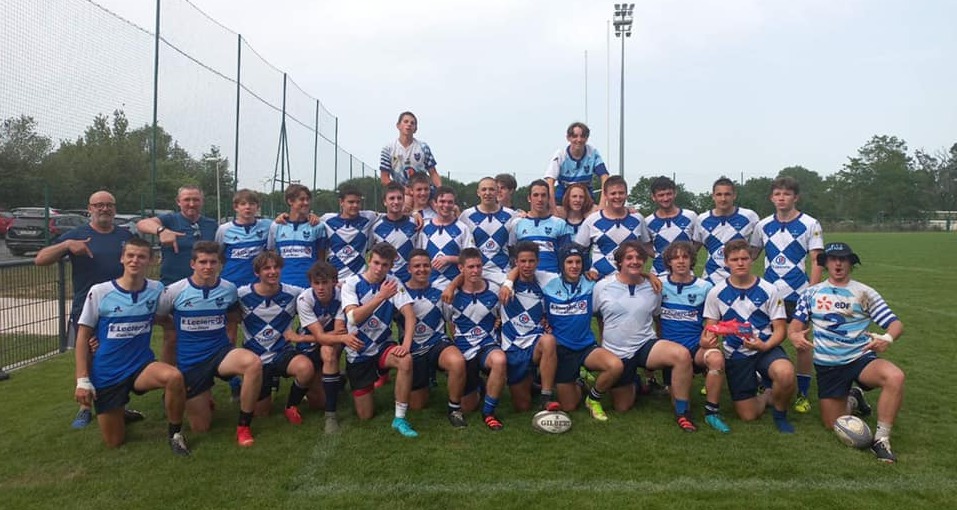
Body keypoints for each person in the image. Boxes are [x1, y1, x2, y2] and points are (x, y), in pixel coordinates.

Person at [789, 242, 905, 463]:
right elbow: (794, 326)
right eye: (833, 259)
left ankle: (881, 440)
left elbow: (895, 324)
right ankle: (853, 398)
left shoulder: (864, 293)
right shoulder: (810, 294)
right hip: (828, 365)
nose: (838, 264)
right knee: (832, 424)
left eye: (843, 259)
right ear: (826, 263)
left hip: (860, 357)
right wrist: (794, 336)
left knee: (895, 376)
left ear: (851, 263)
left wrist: (887, 338)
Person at [73, 237, 189, 455]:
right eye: (130, 255)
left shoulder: (156, 289)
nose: (135, 260)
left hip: (140, 365)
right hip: (108, 373)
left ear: (151, 261)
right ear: (122, 258)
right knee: (114, 442)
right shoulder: (100, 291)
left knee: (174, 377)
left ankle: (175, 434)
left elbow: (162, 318)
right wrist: (82, 380)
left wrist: (174, 330)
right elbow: (83, 335)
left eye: (141, 256)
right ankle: (119, 410)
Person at [34, 190, 140, 429]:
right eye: (98, 205)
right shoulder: (76, 235)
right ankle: (85, 408)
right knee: (89, 356)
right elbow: (40, 259)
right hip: (87, 309)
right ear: (89, 208)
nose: (104, 209)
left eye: (109, 205)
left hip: (120, 310)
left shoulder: (125, 235)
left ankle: (118, 405)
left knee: (117, 357)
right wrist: (66, 245)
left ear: (115, 208)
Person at [157, 241, 264, 446]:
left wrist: (230, 339)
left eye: (213, 262)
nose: (208, 266)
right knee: (201, 427)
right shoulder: (174, 291)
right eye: (203, 262)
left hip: (219, 352)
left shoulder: (228, 289)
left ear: (219, 264)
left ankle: (243, 426)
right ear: (193, 264)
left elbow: (233, 317)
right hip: (191, 361)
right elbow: (160, 317)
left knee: (253, 363)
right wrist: (173, 329)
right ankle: (203, 396)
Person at [503, 243, 622, 420]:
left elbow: (622, 276)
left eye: (578, 262)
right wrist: (508, 283)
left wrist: (647, 276)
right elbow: (520, 268)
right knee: (568, 406)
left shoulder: (592, 283)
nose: (574, 266)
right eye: (569, 262)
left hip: (586, 347)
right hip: (561, 350)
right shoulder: (548, 280)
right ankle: (577, 382)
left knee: (615, 366)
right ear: (562, 264)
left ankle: (593, 398)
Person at [593, 241, 697, 431]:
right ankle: (635, 381)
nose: (635, 261)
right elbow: (597, 315)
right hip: (617, 352)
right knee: (622, 407)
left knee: (681, 355)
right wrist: (602, 343)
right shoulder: (603, 286)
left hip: (644, 344)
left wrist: (649, 276)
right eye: (629, 258)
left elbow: (657, 317)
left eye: (639, 258)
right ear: (620, 262)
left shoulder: (653, 287)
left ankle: (683, 412)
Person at [702, 239, 795, 433]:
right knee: (748, 415)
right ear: (726, 262)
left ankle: (780, 415)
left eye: (744, 258)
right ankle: (767, 395)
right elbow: (710, 328)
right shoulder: (716, 292)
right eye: (734, 259)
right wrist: (706, 340)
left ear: (752, 259)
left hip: (765, 348)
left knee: (785, 373)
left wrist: (765, 345)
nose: (740, 263)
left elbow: (780, 329)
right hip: (736, 354)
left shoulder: (769, 289)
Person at [750, 176, 824, 414]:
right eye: (777, 194)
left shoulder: (810, 223)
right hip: (770, 296)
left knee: (802, 343)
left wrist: (811, 293)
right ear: (771, 198)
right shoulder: (763, 225)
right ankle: (765, 383)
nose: (782, 198)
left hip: (799, 294)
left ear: (796, 197)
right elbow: (751, 255)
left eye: (787, 194)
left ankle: (802, 393)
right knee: (764, 339)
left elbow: (816, 260)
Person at [338, 242, 419, 438]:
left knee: (405, 360)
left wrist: (406, 345)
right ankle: (354, 383)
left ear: (391, 266)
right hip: (359, 351)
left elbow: (410, 315)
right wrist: (381, 296)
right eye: (376, 263)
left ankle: (399, 418)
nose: (379, 269)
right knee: (365, 415)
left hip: (383, 346)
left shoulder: (393, 282)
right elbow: (353, 318)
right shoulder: (351, 283)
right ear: (369, 260)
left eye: (385, 265)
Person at [657, 241, 730, 433]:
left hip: (696, 346)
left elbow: (712, 319)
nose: (681, 261)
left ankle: (712, 412)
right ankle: (679, 401)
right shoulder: (659, 284)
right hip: (669, 351)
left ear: (692, 260)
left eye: (685, 257)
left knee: (716, 359)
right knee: (680, 403)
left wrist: (707, 338)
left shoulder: (705, 287)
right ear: (669, 262)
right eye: (675, 257)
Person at [237, 251, 315, 425]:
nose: (272, 272)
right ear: (257, 272)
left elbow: (315, 293)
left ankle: (291, 405)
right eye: (266, 268)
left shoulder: (293, 293)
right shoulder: (241, 295)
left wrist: (339, 286)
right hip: (255, 359)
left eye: (276, 267)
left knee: (306, 368)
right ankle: (263, 384)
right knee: (261, 413)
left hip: (282, 352)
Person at [402, 249, 468, 427]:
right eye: (417, 266)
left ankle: (454, 409)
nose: (422, 269)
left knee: (457, 362)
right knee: (417, 405)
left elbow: (450, 320)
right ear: (408, 269)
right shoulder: (399, 292)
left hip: (436, 343)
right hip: (413, 349)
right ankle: (427, 378)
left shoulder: (440, 291)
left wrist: (457, 343)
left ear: (431, 268)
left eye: (426, 265)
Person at [443, 248, 507, 430]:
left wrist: (498, 322)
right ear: (461, 268)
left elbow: (502, 315)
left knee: (500, 360)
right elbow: (450, 323)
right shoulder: (451, 295)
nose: (475, 271)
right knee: (468, 406)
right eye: (470, 267)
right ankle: (480, 385)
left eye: (478, 266)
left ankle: (489, 413)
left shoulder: (494, 290)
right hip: (464, 350)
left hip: (487, 345)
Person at [497, 242, 559, 412]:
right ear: (515, 262)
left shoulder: (545, 280)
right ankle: (532, 383)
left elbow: (569, 276)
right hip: (513, 347)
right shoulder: (503, 281)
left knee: (549, 340)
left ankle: (546, 397)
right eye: (523, 261)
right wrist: (508, 282)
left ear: (538, 262)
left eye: (531, 261)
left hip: (535, 343)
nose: (527, 265)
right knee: (522, 407)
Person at [297, 261, 354, 434]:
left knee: (328, 352)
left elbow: (338, 330)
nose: (320, 288)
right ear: (311, 283)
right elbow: (322, 336)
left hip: (331, 344)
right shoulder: (304, 299)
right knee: (317, 403)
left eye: (325, 282)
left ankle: (331, 416)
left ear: (334, 282)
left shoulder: (342, 296)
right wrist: (342, 337)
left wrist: (337, 336)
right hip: (308, 346)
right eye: (316, 283)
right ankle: (337, 379)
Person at [137, 185, 218, 285]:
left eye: (196, 200)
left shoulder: (211, 224)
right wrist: (162, 231)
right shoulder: (170, 220)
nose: (191, 204)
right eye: (187, 200)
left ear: (202, 202)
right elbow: (142, 224)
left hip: (204, 285)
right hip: (172, 284)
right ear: (178, 202)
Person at [574, 175, 651, 280]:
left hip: (630, 280)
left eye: (621, 193)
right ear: (605, 195)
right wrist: (586, 270)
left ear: (626, 194)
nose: (617, 197)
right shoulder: (592, 220)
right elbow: (578, 250)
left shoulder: (638, 219)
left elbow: (647, 248)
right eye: (613, 193)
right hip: (600, 280)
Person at [695, 177, 759, 284]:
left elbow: (758, 244)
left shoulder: (749, 216)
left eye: (727, 194)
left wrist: (745, 261)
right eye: (719, 194)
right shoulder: (702, 219)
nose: (723, 199)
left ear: (734, 195)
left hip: (739, 280)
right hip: (710, 280)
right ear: (713, 196)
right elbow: (695, 248)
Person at [267, 184, 328, 288]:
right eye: (302, 199)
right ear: (290, 201)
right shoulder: (276, 226)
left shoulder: (317, 226)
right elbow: (271, 253)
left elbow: (321, 259)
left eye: (308, 199)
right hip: (283, 284)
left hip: (308, 285)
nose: (306, 203)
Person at [459, 177, 517, 285]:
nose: (487, 193)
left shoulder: (511, 215)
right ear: (478, 192)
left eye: (491, 189)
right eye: (484, 189)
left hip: (503, 274)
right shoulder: (466, 215)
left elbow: (514, 246)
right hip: (477, 273)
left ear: (497, 192)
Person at [508, 179, 572, 275]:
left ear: (548, 198)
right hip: (526, 278)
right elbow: (512, 254)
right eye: (536, 195)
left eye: (543, 195)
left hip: (552, 277)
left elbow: (566, 255)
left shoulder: (560, 224)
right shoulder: (517, 223)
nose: (540, 199)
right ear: (529, 198)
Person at [544, 122, 609, 212]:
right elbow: (550, 181)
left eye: (582, 136)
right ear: (568, 138)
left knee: (595, 215)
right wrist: (553, 208)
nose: (579, 140)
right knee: (558, 216)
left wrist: (602, 204)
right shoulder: (561, 154)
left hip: (585, 195)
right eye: (575, 136)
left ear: (587, 138)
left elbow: (605, 177)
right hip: (564, 194)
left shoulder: (592, 152)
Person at [417, 186, 473, 290]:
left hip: (455, 287)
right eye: (442, 201)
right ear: (435, 203)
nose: (446, 205)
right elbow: (417, 257)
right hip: (428, 287)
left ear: (454, 204)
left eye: (450, 202)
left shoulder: (463, 228)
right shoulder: (424, 228)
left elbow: (471, 258)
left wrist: (450, 259)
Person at [215, 189, 273, 287]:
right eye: (243, 204)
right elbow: (218, 255)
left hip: (257, 284)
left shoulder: (268, 225)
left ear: (257, 207)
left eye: (252, 204)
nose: (248, 207)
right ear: (236, 207)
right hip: (231, 282)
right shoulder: (224, 229)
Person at [320, 186, 378, 282]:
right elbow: (309, 220)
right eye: (351, 202)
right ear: (341, 202)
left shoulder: (368, 217)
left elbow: (391, 215)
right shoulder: (327, 219)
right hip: (335, 281)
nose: (355, 205)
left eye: (358, 202)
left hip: (358, 280)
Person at [644, 176, 699, 276]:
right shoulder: (648, 221)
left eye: (668, 194)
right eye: (661, 195)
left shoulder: (690, 216)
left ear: (675, 193)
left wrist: (686, 254)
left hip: (686, 275)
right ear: (653, 197)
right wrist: (661, 255)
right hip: (659, 274)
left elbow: (698, 242)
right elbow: (646, 245)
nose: (665, 198)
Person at [372, 182, 421, 283]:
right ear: (385, 202)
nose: (396, 201)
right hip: (384, 282)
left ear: (403, 200)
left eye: (399, 198)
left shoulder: (415, 224)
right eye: (392, 198)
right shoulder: (375, 226)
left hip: (409, 282)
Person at [379, 111, 441, 189]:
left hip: (422, 191)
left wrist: (440, 189)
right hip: (400, 191)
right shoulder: (388, 149)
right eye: (406, 121)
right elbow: (384, 178)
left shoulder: (423, 147)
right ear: (398, 125)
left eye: (412, 123)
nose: (409, 124)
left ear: (415, 129)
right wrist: (403, 190)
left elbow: (433, 173)